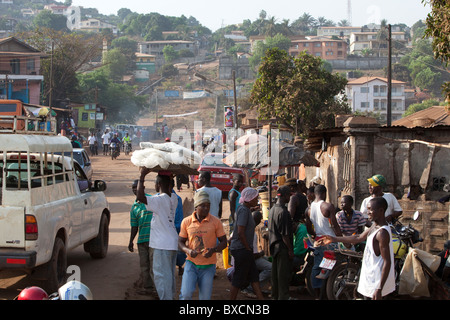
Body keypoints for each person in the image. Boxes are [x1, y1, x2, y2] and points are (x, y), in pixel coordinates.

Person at [318, 197, 396, 300]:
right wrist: (333, 239)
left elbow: (387, 262)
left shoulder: (382, 233)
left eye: (370, 209)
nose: (367, 212)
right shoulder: (374, 226)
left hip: (376, 283)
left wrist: (379, 289)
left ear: (381, 210)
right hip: (370, 281)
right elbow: (358, 238)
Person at [136, 169, 179, 300]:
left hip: (162, 245)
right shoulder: (174, 198)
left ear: (158, 183)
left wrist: (142, 176)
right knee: (169, 276)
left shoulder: (159, 200)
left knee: (161, 277)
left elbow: (140, 197)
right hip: (171, 243)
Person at [178, 190, 227, 300]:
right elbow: (180, 242)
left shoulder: (215, 222)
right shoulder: (186, 222)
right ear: (196, 206)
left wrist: (213, 250)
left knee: (205, 298)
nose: (206, 208)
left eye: (208, 205)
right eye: (203, 205)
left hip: (208, 267)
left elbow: (224, 242)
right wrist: (188, 251)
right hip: (191, 264)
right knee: (185, 295)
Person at [305, 184, 342, 299]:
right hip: (330, 241)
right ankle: (328, 292)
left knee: (317, 267)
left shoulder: (309, 209)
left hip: (318, 240)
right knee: (332, 267)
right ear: (324, 193)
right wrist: (343, 240)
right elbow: (335, 226)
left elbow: (309, 228)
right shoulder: (327, 206)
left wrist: (316, 234)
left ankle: (318, 295)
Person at [229, 187, 264, 300]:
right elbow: (240, 231)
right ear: (249, 199)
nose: (257, 199)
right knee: (238, 278)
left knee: (253, 276)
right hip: (241, 249)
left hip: (243, 249)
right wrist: (247, 247)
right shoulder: (244, 210)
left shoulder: (245, 209)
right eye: (255, 198)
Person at [128, 179, 155, 296]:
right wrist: (130, 241)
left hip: (154, 240)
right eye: (133, 187)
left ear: (143, 188)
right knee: (144, 266)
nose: (135, 189)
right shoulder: (134, 207)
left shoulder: (152, 200)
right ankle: (148, 288)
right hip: (141, 241)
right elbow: (134, 226)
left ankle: (157, 289)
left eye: (137, 187)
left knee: (154, 266)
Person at [268, 185, 294, 300]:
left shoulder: (273, 209)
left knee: (275, 274)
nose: (290, 197)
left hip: (274, 246)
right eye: (289, 195)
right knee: (282, 274)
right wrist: (290, 250)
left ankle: (275, 295)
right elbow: (285, 235)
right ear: (284, 196)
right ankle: (283, 296)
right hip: (282, 247)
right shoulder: (283, 212)